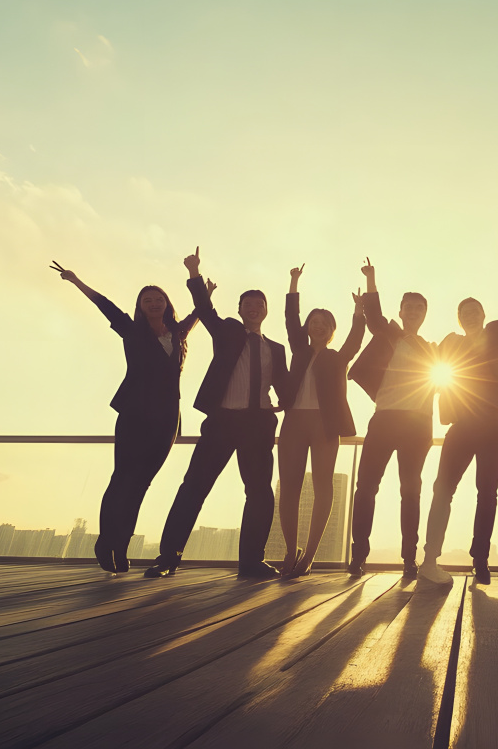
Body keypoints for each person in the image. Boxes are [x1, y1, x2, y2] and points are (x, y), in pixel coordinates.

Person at [145, 248, 294, 580]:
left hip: (258, 424)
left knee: (259, 491)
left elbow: (285, 387)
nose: (254, 308)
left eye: (260, 304)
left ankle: (251, 562)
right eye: (248, 304)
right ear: (240, 310)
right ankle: (168, 557)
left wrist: (286, 404)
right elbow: (205, 309)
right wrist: (195, 273)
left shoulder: (276, 349)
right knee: (194, 486)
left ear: (266, 311)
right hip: (223, 421)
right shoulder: (227, 330)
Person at [51, 261, 209, 573]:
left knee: (142, 483)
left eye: (158, 298)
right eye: (147, 299)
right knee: (122, 479)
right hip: (135, 413)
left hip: (167, 418)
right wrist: (76, 280)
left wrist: (201, 282)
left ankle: (121, 545)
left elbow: (201, 310)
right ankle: (105, 542)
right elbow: (105, 305)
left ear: (167, 304)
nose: (153, 303)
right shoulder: (132, 330)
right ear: (140, 306)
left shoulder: (178, 333)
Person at [418, 242, 498, 585]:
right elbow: (423, 359)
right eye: (464, 311)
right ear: (460, 319)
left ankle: (480, 559)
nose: (470, 314)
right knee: (442, 488)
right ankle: (430, 558)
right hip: (462, 424)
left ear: (483, 314)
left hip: (492, 422)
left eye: (475, 309)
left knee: (487, 491)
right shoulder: (451, 343)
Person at [346, 258, 437, 579]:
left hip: (418, 424)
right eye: (408, 307)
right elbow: (373, 317)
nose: (413, 312)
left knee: (411, 489)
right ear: (400, 312)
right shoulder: (390, 335)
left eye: (418, 308)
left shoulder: (432, 349)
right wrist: (371, 279)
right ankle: (358, 556)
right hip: (384, 419)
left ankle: (409, 559)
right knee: (366, 486)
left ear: (425, 315)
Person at [278, 264, 366, 578]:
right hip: (293, 423)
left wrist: (359, 311)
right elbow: (290, 321)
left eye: (323, 323)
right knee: (288, 486)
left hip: (325, 425)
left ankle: (310, 555)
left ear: (331, 330)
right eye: (313, 322)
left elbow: (356, 340)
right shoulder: (298, 349)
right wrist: (293, 283)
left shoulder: (337, 357)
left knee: (322, 486)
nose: (317, 326)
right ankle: (290, 550)